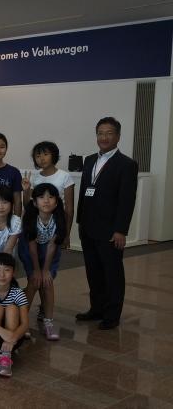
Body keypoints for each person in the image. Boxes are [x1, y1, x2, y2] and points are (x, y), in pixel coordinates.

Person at [76, 117, 138, 330]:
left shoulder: (127, 164)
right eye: (100, 133)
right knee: (93, 272)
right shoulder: (89, 160)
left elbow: (127, 200)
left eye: (109, 133)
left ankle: (112, 315)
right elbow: (84, 192)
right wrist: (80, 221)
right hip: (88, 227)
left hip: (111, 230)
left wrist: (121, 230)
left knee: (112, 273)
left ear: (118, 137)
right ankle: (96, 309)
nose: (104, 137)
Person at [19, 183, 67, 340]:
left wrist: (45, 270)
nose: (46, 200)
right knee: (34, 282)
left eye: (51, 197)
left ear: (56, 202)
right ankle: (22, 322)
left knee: (47, 282)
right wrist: (36, 270)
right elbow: (32, 246)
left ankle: (48, 323)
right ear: (34, 202)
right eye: (41, 197)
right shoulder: (30, 218)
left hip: (50, 253)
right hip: (29, 251)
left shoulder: (58, 219)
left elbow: (52, 246)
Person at [22, 141, 75, 249]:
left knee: (53, 254)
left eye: (46, 154)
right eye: (38, 156)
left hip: (56, 222)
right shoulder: (34, 178)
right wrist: (26, 191)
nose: (42, 158)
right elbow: (28, 205)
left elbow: (69, 209)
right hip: (37, 224)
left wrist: (66, 234)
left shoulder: (65, 176)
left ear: (54, 155)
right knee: (35, 253)